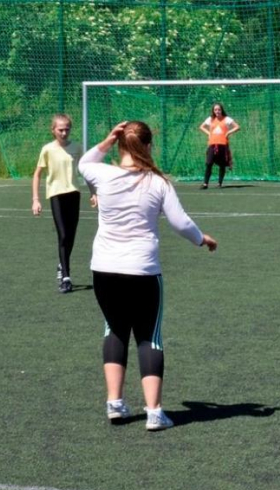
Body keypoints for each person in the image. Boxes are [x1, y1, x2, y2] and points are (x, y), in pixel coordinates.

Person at [79, 121, 218, 431]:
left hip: (104, 269)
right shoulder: (158, 183)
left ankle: (114, 404)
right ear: (149, 146)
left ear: (120, 145)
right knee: (148, 336)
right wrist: (201, 239)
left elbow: (85, 162)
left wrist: (107, 140)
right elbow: (181, 223)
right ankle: (154, 412)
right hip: (142, 270)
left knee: (114, 330)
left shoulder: (102, 174)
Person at [32, 113, 91, 294]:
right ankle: (66, 277)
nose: (64, 133)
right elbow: (37, 174)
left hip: (73, 193)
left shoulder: (76, 148)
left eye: (67, 129)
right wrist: (36, 199)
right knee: (63, 234)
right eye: (60, 129)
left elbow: (86, 171)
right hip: (56, 195)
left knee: (71, 235)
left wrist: (94, 192)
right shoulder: (47, 149)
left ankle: (61, 264)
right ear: (53, 130)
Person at [199, 103, 240, 189]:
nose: (217, 111)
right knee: (209, 163)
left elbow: (237, 127)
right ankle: (205, 184)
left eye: (219, 109)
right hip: (212, 144)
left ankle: (219, 183)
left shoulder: (226, 119)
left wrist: (228, 132)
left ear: (221, 110)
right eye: (215, 110)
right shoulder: (210, 119)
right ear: (213, 111)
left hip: (223, 144)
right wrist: (208, 133)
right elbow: (201, 127)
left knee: (222, 164)